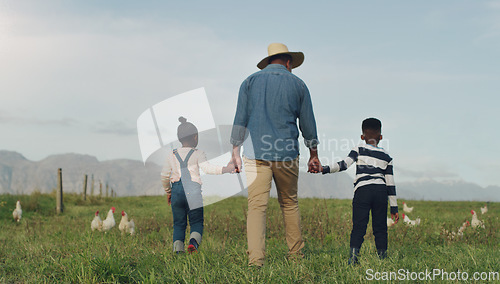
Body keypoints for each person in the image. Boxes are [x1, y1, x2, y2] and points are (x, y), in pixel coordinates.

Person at [230, 43, 321, 267]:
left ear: (269, 61)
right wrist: (313, 153)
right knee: (289, 203)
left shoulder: (249, 82)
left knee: (257, 207)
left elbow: (240, 119)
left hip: (255, 153)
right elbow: (307, 124)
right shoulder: (298, 84)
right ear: (288, 62)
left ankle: (256, 261)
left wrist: (235, 151)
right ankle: (296, 257)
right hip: (287, 154)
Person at [322, 118, 399, 264]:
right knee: (380, 227)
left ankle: (353, 258)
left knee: (359, 226)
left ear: (362, 136)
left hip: (363, 190)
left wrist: (324, 169)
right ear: (381, 137)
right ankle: (382, 259)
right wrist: (394, 207)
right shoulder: (387, 156)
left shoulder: (359, 149)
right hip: (380, 191)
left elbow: (344, 165)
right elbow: (390, 183)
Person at [162, 117, 234, 254]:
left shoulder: (171, 155)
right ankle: (193, 243)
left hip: (176, 191)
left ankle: (178, 252)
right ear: (195, 137)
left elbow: (164, 176)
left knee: (178, 224)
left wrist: (168, 191)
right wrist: (225, 169)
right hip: (193, 192)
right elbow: (207, 168)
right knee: (196, 222)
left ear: (179, 138)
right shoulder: (198, 153)